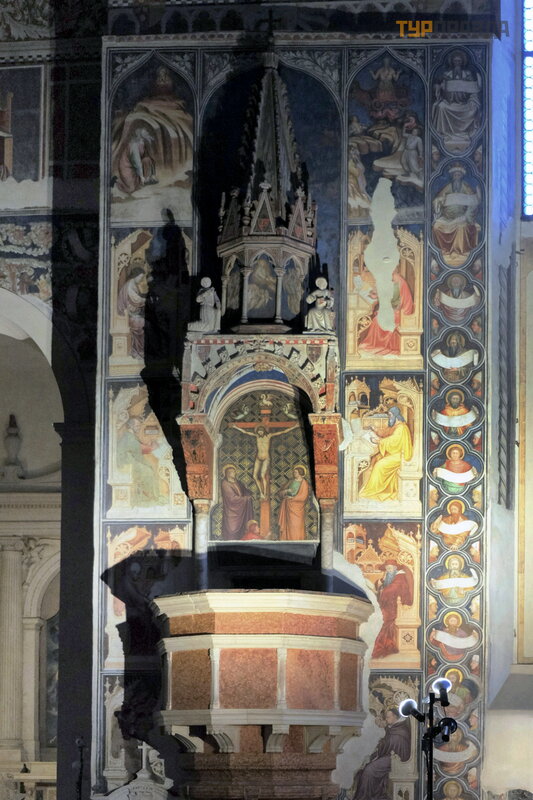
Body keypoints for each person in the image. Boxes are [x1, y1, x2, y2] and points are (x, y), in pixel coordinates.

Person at [347, 708, 411, 800]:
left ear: (395, 717)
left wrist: (382, 744)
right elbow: (388, 743)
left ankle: (365, 797)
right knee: (365, 767)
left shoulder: (401, 730)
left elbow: (395, 745)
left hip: (396, 760)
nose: (386, 719)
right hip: (389, 756)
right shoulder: (393, 728)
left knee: (369, 770)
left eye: (388, 717)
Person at [230, 422, 298, 498]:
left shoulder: (269, 436)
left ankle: (264, 493)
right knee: (254, 476)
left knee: (262, 476)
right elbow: (245, 432)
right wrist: (235, 427)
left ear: (264, 431)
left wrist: (294, 426)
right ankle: (261, 492)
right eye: (259, 431)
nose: (260, 433)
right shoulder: (257, 436)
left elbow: (283, 432)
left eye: (261, 431)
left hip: (266, 458)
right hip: (258, 458)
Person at [360, 407, 413, 502]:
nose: (389, 417)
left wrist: (379, 441)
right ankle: (373, 487)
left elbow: (393, 441)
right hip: (392, 453)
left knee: (379, 465)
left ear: (396, 415)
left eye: (390, 415)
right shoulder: (395, 426)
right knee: (375, 458)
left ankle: (375, 491)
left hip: (400, 456)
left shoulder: (401, 427)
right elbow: (386, 432)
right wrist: (375, 430)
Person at [432, 50, 481, 149]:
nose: (457, 63)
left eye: (459, 61)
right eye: (455, 61)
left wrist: (472, 100)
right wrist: (441, 88)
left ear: (462, 62)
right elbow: (439, 89)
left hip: (464, 104)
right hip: (450, 103)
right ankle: (444, 134)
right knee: (441, 107)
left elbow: (473, 91)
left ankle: (466, 133)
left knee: (474, 108)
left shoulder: (467, 74)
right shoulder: (447, 74)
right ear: (452, 62)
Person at [359, 267, 414, 355]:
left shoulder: (400, 282)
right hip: (394, 310)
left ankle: (379, 345)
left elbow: (401, 303)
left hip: (402, 313)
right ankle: (375, 344)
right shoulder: (391, 280)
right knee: (376, 319)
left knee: (377, 320)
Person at [432, 164, 480, 265]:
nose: (457, 177)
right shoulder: (448, 187)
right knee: (436, 227)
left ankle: (459, 252)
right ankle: (444, 251)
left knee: (461, 227)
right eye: (455, 175)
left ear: (461, 176)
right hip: (447, 217)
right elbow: (437, 200)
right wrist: (439, 201)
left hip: (461, 216)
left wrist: (467, 216)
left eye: (458, 175)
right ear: (452, 177)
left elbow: (474, 202)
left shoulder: (466, 187)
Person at [372, 560, 413, 659]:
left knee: (383, 621)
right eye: (387, 569)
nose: (388, 571)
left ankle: (386, 646)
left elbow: (393, 589)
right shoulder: (390, 576)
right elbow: (383, 584)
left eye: (390, 569)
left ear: (395, 568)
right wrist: (381, 582)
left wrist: (383, 591)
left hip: (395, 607)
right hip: (388, 605)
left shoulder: (400, 577)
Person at [117, 261, 148, 359]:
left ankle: (138, 351)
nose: (141, 279)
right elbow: (136, 299)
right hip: (129, 313)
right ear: (136, 275)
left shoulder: (133, 284)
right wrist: (145, 300)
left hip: (132, 312)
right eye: (140, 277)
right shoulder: (130, 284)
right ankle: (137, 351)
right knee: (141, 327)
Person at [220, 465, 254, 540]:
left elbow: (244, 491)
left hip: (241, 510)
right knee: (231, 530)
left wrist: (249, 495)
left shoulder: (238, 483)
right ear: (227, 473)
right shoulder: (225, 483)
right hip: (231, 511)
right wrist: (245, 499)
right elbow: (231, 499)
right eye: (232, 472)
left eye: (234, 471)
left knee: (241, 532)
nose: (234, 473)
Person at [278, 466, 310, 541]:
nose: (294, 473)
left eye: (295, 472)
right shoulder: (290, 481)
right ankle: (288, 540)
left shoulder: (304, 483)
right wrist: (286, 491)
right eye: (294, 472)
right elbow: (280, 493)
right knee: (289, 525)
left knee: (296, 525)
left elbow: (303, 497)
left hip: (297, 508)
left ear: (300, 473)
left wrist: (292, 498)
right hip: (288, 506)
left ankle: (297, 541)